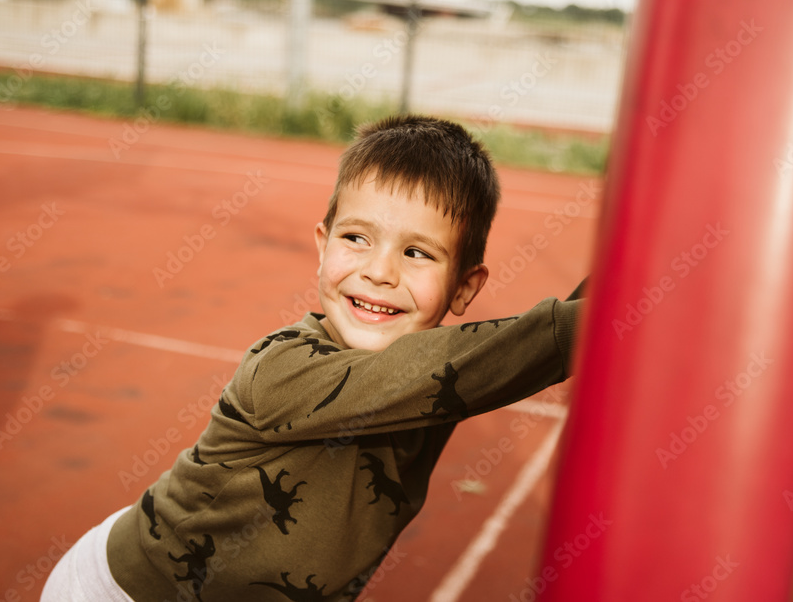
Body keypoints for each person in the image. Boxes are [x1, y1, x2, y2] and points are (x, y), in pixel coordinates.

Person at [41, 114, 585, 601]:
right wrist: (594, 324)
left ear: (464, 288)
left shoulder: (424, 371)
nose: (379, 271)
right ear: (322, 247)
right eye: (357, 238)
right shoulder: (280, 371)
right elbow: (507, 351)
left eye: (416, 252)